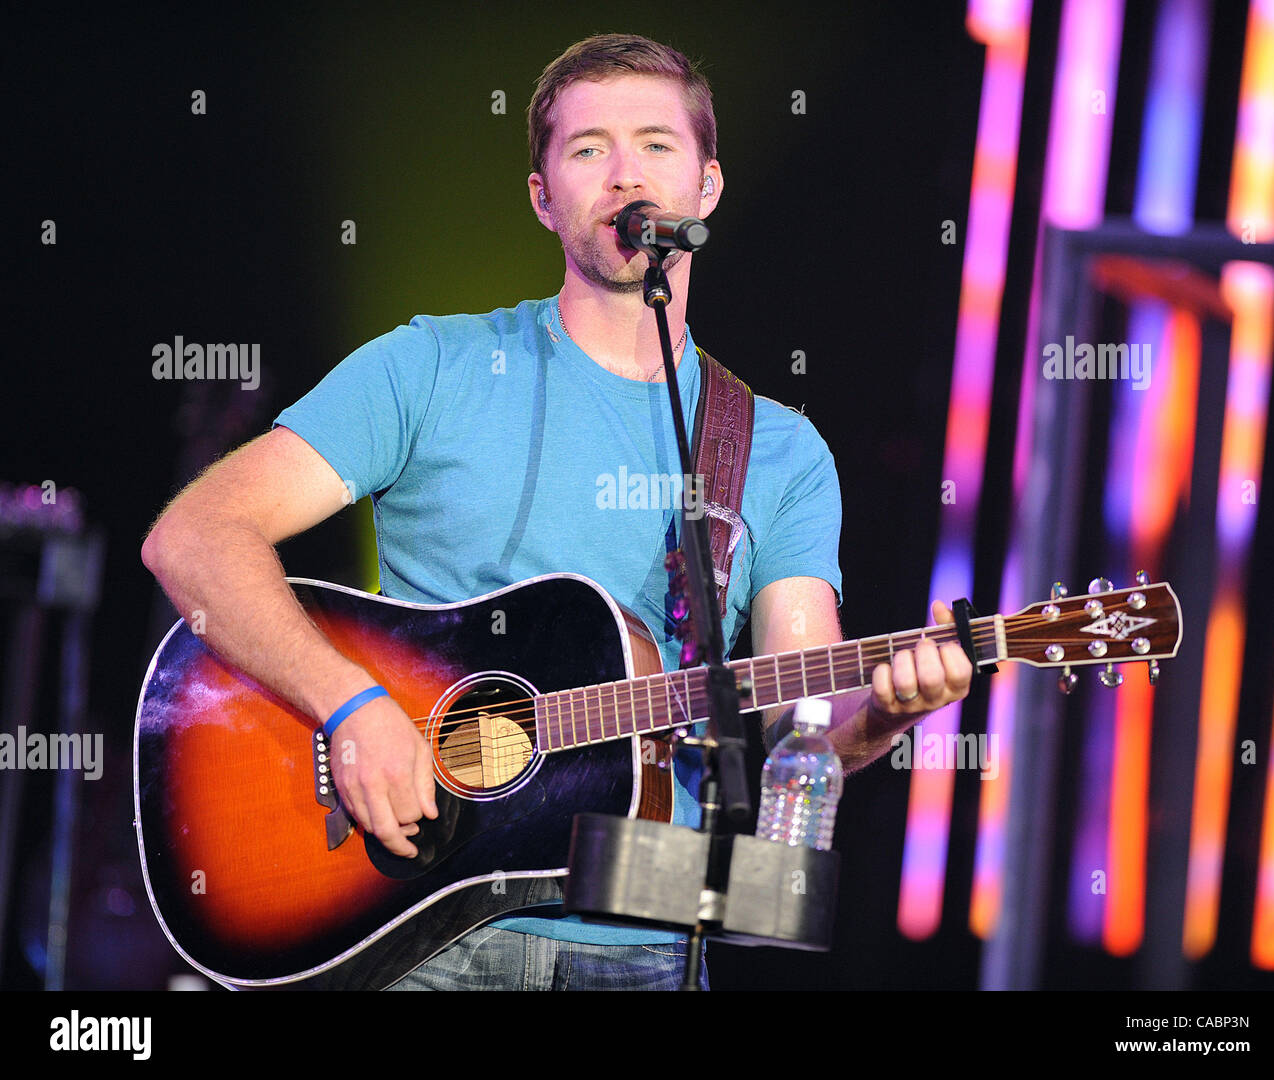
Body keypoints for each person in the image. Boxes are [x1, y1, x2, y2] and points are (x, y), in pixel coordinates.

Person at [140, 33, 973, 991]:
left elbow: (797, 717)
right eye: (589, 149)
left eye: (657, 145)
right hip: (413, 929)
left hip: (649, 938)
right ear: (543, 197)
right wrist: (356, 704)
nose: (626, 175)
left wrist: (884, 715)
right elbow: (195, 536)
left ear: (706, 186)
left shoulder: (777, 448)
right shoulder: (431, 367)